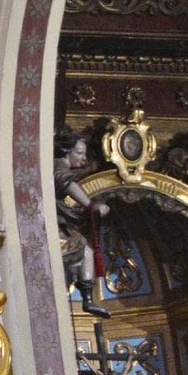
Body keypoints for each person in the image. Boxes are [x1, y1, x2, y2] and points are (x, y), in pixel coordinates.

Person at [56, 130, 112, 318]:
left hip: (60, 224)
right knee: (81, 250)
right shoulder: (59, 166)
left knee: (85, 250)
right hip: (53, 227)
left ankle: (88, 300)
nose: (83, 159)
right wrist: (91, 205)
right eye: (79, 153)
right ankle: (86, 300)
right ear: (66, 152)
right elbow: (66, 183)